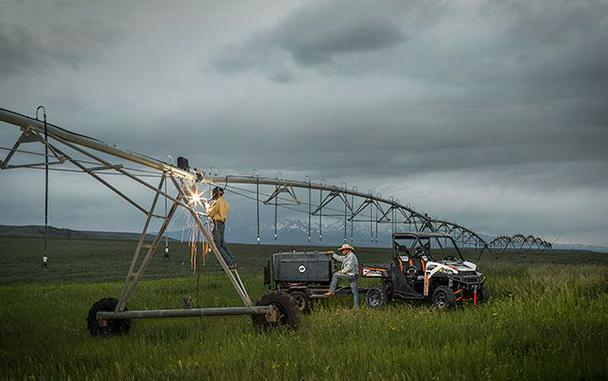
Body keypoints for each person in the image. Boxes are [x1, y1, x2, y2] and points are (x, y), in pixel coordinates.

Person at [206, 187, 236, 269]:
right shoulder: (225, 202)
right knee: (223, 244)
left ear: (216, 193)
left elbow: (210, 213)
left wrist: (207, 206)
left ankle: (229, 263)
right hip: (222, 224)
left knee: (217, 245)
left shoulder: (217, 202)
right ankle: (232, 261)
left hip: (216, 224)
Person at [324, 243, 360, 309]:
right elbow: (340, 258)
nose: (342, 251)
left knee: (336, 275)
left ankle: (332, 291)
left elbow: (349, 267)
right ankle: (356, 307)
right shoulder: (348, 256)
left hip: (351, 275)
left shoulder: (351, 256)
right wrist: (332, 254)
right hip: (353, 275)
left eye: (343, 250)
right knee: (355, 291)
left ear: (347, 250)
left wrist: (340, 271)